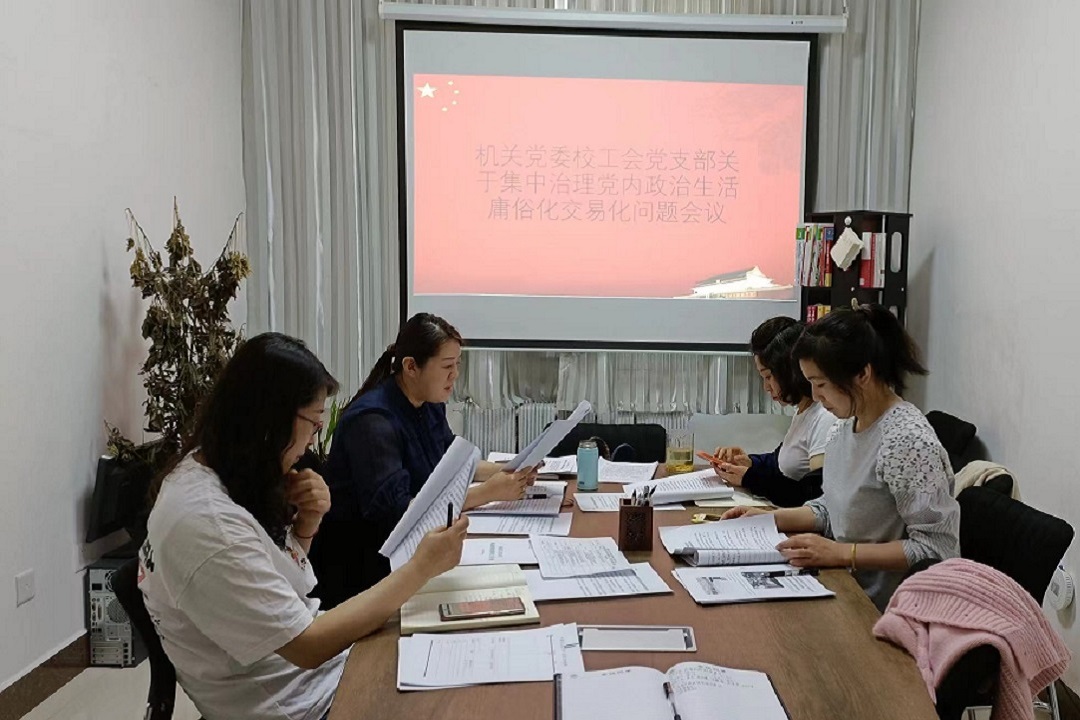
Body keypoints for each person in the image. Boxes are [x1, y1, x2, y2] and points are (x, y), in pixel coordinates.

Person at [138, 333, 467, 720]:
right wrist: (421, 567)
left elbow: (277, 583)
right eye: (313, 423)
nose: (312, 440)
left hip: (310, 670)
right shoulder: (208, 525)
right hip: (299, 702)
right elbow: (306, 646)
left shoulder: (205, 468)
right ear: (271, 420)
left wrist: (305, 527)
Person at [722, 304, 960, 610]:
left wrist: (842, 553)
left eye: (821, 384)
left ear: (862, 374)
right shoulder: (845, 427)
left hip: (885, 609)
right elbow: (830, 508)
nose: (815, 396)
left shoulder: (906, 441)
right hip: (842, 586)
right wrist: (768, 519)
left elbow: (936, 549)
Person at [313, 313, 535, 606]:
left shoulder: (429, 404)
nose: (454, 375)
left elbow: (450, 461)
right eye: (447, 366)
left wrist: (510, 470)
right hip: (364, 572)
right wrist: (487, 493)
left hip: (411, 556)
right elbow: (399, 514)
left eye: (457, 365)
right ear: (411, 367)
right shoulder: (372, 422)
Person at [709, 317, 836, 506]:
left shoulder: (824, 416)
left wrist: (750, 479)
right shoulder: (804, 411)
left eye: (768, 376)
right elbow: (782, 463)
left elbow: (815, 496)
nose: (766, 387)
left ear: (790, 371)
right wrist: (750, 463)